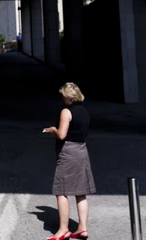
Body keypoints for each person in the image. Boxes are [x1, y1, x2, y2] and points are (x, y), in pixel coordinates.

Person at [42, 82, 95, 240]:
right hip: (82, 150)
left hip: (69, 152)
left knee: (61, 190)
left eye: (63, 96)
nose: (62, 99)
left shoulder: (66, 111)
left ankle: (63, 230)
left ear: (67, 97)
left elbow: (62, 135)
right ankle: (82, 228)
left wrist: (53, 130)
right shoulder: (84, 111)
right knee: (81, 192)